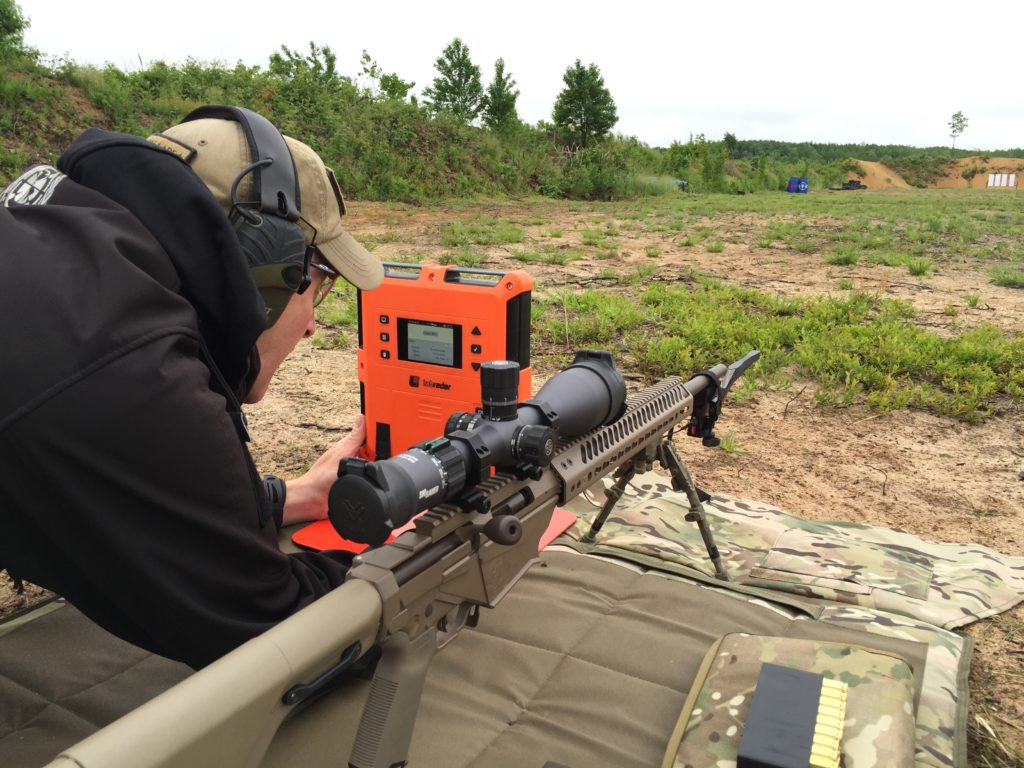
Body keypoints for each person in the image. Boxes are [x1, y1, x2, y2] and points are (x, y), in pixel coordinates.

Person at [0, 105, 383, 669]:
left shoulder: (69, 276)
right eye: (318, 284)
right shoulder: (123, 362)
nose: (309, 324)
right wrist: (427, 551)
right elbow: (276, 638)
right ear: (266, 264)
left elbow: (138, 498)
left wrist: (290, 498)